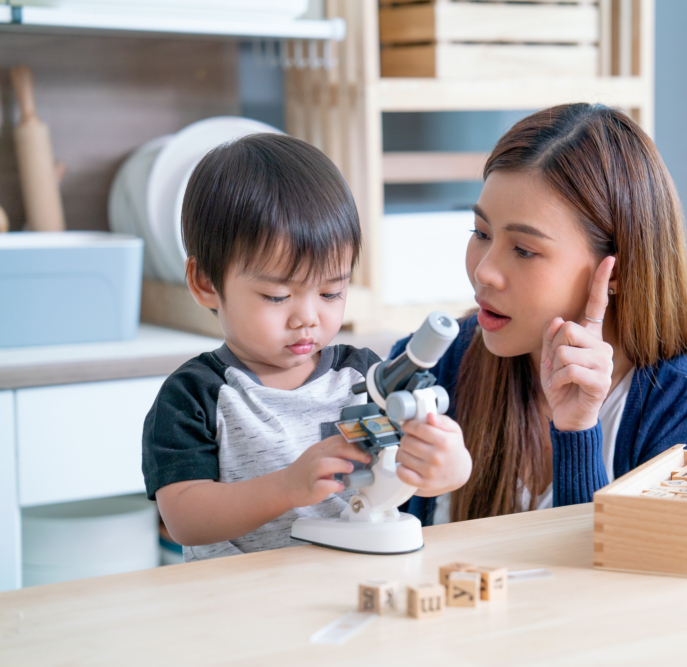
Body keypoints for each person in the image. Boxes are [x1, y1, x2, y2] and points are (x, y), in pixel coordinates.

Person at [392, 103, 687, 525]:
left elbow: (630, 584)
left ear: (617, 270)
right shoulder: (440, 362)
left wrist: (578, 431)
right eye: (481, 233)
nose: (484, 270)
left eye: (524, 250)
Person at [141, 134, 471, 561]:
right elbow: (185, 518)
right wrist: (287, 486)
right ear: (206, 283)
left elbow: (410, 472)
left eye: (331, 293)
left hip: (353, 583)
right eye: (278, 297)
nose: (308, 318)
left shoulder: (363, 378)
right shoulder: (194, 396)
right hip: (236, 604)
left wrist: (450, 467)